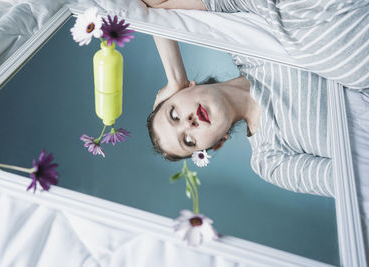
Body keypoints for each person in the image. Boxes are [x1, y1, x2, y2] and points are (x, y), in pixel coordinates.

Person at [144, 0, 369, 259]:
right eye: (189, 141)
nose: (188, 123)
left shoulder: (240, 35)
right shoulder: (270, 159)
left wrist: (175, 77)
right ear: (217, 144)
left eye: (174, 114)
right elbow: (352, 181)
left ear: (188, 86)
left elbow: (152, 2)